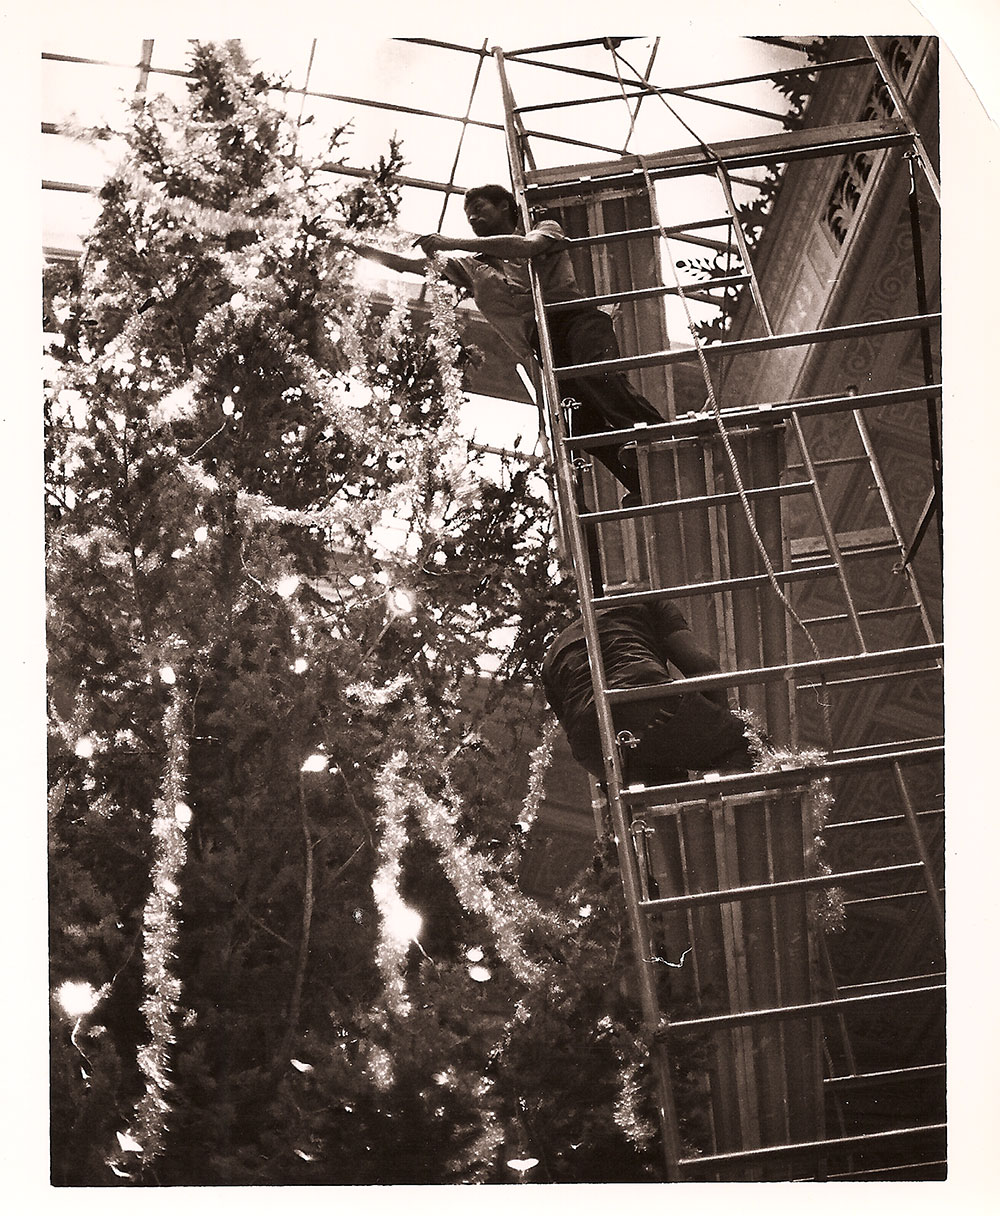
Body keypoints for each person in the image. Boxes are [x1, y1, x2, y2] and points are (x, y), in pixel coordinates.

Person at [341, 183, 663, 502]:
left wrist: (451, 242)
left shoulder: (544, 228)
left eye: (479, 208)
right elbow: (406, 265)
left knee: (594, 373)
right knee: (579, 425)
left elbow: (526, 247)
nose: (472, 217)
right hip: (542, 343)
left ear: (505, 206)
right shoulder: (471, 267)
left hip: (574, 319)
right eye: (468, 215)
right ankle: (642, 483)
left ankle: (657, 436)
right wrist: (349, 244)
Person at [541, 599, 753, 785]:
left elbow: (574, 724)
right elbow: (703, 667)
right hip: (646, 701)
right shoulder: (647, 602)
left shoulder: (551, 656)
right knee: (750, 745)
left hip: (593, 746)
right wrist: (721, 729)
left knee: (661, 787)